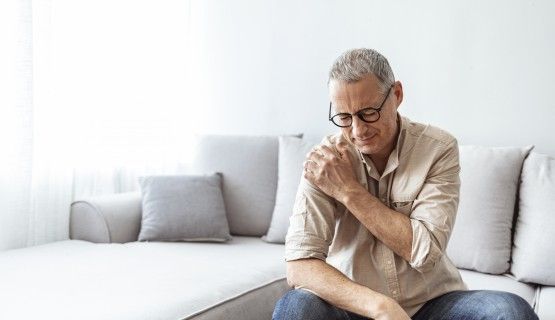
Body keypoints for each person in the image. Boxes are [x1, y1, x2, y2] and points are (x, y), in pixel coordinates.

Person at [272, 48, 538, 320]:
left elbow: (425, 251)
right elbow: (300, 265)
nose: (357, 131)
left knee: (510, 311)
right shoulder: (326, 162)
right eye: (344, 117)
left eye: (368, 113)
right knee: (295, 307)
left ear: (396, 95)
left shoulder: (438, 148)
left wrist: (348, 191)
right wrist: (381, 307)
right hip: (354, 306)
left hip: (433, 304)